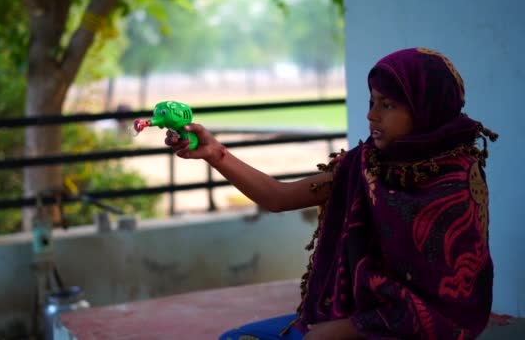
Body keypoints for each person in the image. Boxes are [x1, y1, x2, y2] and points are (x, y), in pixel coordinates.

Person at [164, 48, 497, 339]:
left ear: (427, 109)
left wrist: (345, 330)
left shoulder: (454, 184)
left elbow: (446, 305)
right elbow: (278, 197)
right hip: (352, 322)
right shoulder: (363, 166)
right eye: (371, 101)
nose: (372, 115)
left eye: (388, 104)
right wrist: (214, 153)